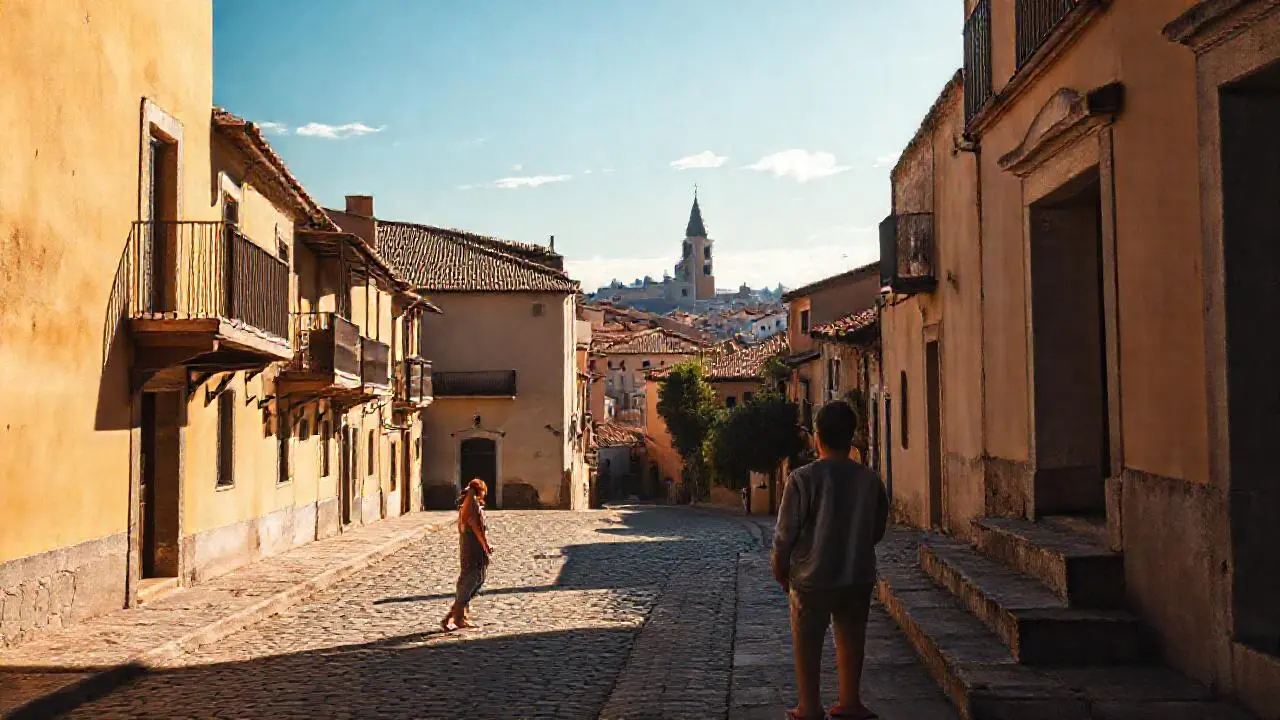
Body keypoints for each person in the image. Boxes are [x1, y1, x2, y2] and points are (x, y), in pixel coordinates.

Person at [772, 400, 889, 720]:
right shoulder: (869, 480)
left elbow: (785, 533)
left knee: (807, 641)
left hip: (811, 577)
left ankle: (809, 705)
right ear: (851, 437)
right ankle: (849, 701)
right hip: (856, 574)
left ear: (817, 437)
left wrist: (781, 566)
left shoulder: (802, 479)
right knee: (852, 637)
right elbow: (877, 528)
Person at [441, 479, 492, 631]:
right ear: (481, 490)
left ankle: (459, 615)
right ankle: (455, 616)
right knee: (473, 579)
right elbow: (477, 528)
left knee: (474, 578)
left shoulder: (466, 505)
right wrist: (486, 545)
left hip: (467, 546)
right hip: (473, 547)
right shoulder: (473, 506)